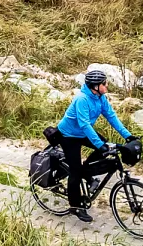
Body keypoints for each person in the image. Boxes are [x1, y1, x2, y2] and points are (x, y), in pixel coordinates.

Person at [54, 68, 133, 221]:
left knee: (104, 148)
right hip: (68, 136)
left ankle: (86, 173)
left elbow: (111, 116)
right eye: (104, 83)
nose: (107, 85)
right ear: (95, 86)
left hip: (84, 132)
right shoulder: (82, 99)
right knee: (75, 172)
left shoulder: (100, 97)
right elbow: (84, 124)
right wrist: (99, 144)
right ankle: (75, 207)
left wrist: (127, 136)